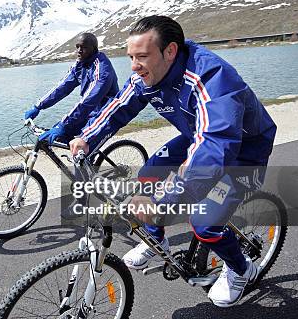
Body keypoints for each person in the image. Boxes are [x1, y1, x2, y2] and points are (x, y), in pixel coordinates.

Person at [69, 16, 276, 307]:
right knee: (150, 173)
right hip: (197, 135)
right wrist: (87, 137)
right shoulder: (147, 75)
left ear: (170, 51)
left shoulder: (213, 77)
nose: (134, 66)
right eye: (131, 57)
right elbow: (119, 106)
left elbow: (215, 145)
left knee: (204, 222)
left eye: (142, 56)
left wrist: (169, 197)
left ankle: (243, 269)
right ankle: (156, 239)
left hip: (242, 151)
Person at [24, 33, 119, 144]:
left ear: (94, 48)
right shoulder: (80, 64)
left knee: (82, 146)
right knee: (61, 136)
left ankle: (87, 157)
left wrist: (63, 124)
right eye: (77, 46)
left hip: (106, 113)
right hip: (89, 112)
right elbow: (62, 87)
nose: (79, 50)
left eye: (83, 47)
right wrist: (38, 106)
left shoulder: (102, 69)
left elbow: (89, 100)